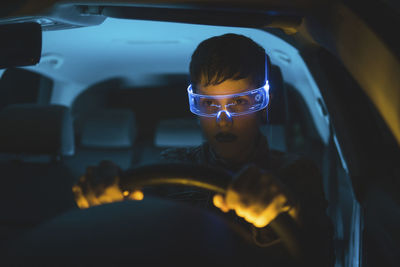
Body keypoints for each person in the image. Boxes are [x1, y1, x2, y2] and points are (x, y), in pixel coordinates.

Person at [72, 33, 333, 265]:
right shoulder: (171, 167)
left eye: (239, 102)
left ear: (263, 104)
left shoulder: (295, 173)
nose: (223, 119)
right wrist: (111, 204)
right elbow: (138, 235)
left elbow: (321, 255)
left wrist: (288, 212)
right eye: (209, 104)